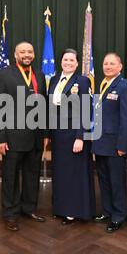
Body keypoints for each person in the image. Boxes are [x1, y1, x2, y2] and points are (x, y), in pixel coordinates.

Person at [0, 41, 48, 232]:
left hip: (35, 136)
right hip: (12, 137)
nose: (27, 54)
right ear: (16, 55)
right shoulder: (4, 74)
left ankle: (29, 209)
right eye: (22, 51)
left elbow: (44, 105)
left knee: (32, 175)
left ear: (34, 54)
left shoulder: (39, 74)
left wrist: (45, 133)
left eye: (30, 51)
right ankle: (10, 214)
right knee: (11, 177)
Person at [92, 53, 127, 233]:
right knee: (103, 179)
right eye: (105, 63)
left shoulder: (125, 87)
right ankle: (107, 210)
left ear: (120, 66)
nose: (108, 66)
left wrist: (123, 145)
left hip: (115, 144)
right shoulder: (102, 84)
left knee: (117, 181)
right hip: (100, 142)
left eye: (112, 64)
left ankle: (118, 215)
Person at [48, 49, 95, 224]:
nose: (68, 63)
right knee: (61, 173)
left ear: (77, 64)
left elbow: (86, 109)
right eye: (65, 59)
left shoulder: (82, 81)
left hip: (74, 135)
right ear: (61, 62)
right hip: (58, 135)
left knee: (75, 174)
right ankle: (60, 208)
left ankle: (73, 210)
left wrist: (80, 137)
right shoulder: (54, 80)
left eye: (72, 60)